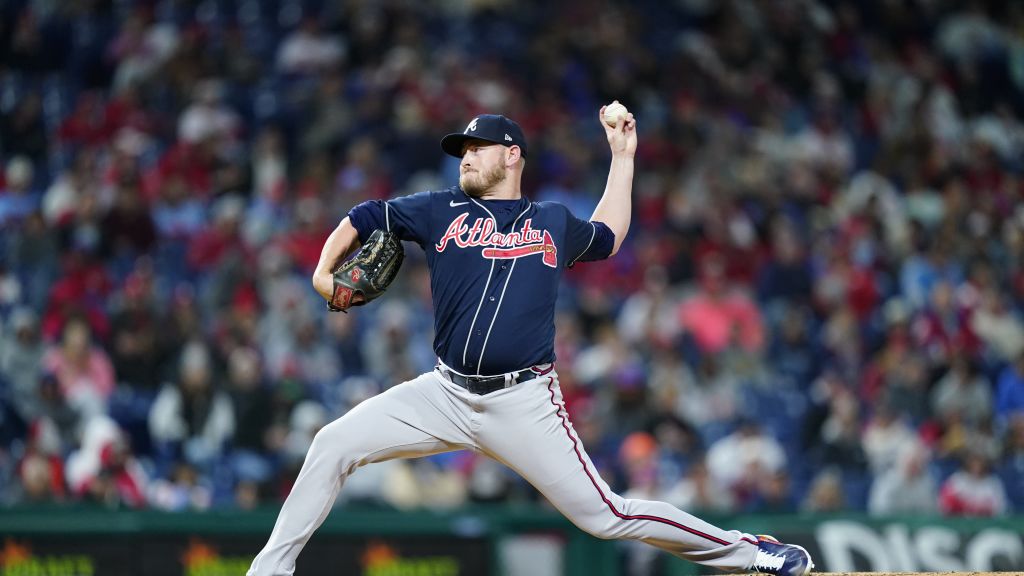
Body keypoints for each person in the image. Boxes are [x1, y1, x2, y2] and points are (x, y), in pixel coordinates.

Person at [248, 108, 813, 576]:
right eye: (462, 149)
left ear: (511, 154)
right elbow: (364, 215)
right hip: (443, 394)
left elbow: (610, 237)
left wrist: (623, 157)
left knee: (607, 516)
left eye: (478, 146)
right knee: (331, 444)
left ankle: (752, 551)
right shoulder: (439, 208)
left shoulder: (551, 220)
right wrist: (325, 273)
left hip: (523, 402)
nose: (466, 155)